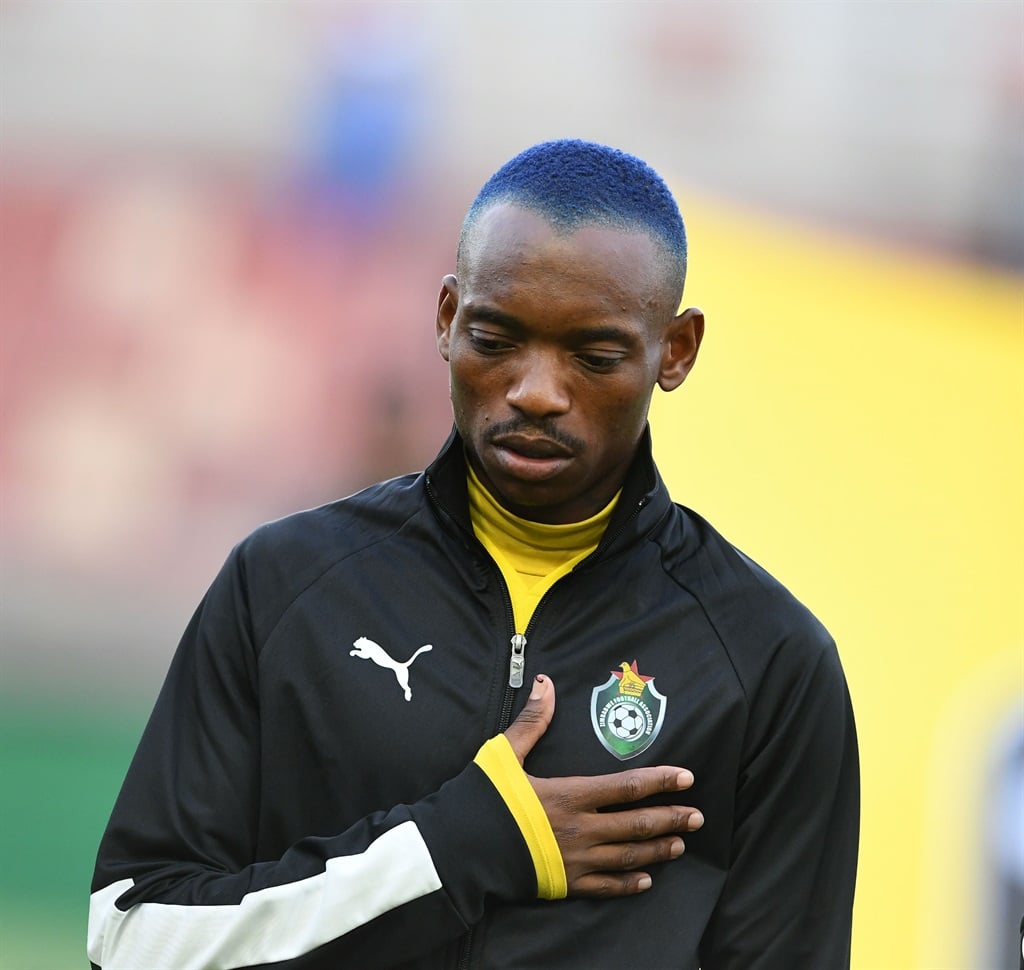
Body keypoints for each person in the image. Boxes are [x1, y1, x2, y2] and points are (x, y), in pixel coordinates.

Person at [88, 139, 859, 969]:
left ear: (675, 351)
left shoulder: (769, 660)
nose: (535, 391)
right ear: (448, 319)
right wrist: (458, 848)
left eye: (593, 357)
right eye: (497, 339)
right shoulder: (282, 586)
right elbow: (130, 940)